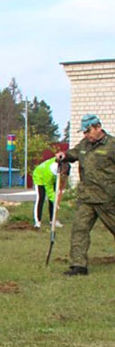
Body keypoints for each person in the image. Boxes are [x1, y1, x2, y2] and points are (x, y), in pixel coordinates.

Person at [57, 113, 115, 276]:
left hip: (108, 199)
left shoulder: (112, 145)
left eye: (88, 131)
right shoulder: (84, 145)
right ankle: (79, 266)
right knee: (79, 229)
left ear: (98, 127)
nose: (86, 135)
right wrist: (64, 156)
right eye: (84, 132)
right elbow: (73, 153)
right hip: (87, 198)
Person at [31, 157, 64, 229]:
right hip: (39, 177)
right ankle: (37, 222)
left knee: (53, 198)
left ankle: (53, 220)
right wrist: (56, 201)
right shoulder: (48, 175)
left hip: (52, 177)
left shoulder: (59, 160)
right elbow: (49, 192)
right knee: (41, 197)